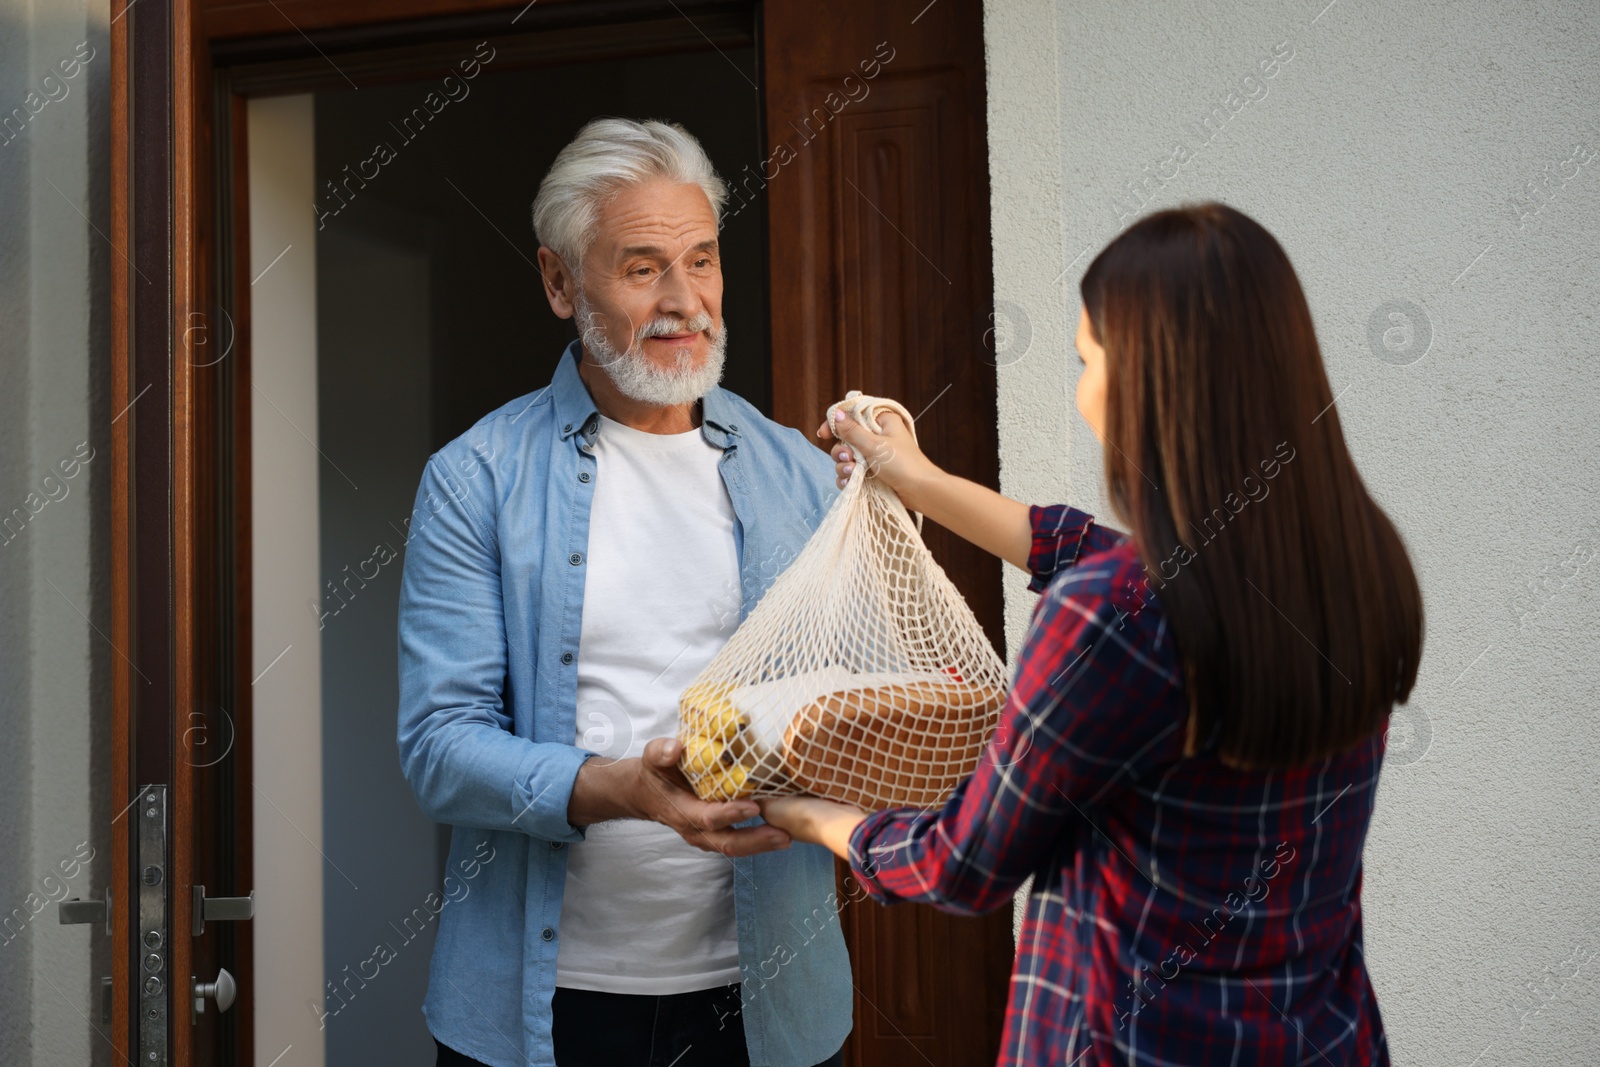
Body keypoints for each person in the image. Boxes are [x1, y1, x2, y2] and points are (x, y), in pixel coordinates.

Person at [762, 203, 1423, 1066]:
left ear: (1146, 381)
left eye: (1086, 360)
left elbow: (966, 863)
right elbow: (1081, 546)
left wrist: (817, 817)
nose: (1081, 392)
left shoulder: (1114, 612)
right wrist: (916, 479)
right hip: (1319, 1038)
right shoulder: (1353, 568)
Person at [397, 118, 850, 1067]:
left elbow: (850, 704)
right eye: (643, 268)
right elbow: (440, 748)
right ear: (561, 282)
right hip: (546, 1009)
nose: (686, 301)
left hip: (763, 1001)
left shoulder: (799, 473)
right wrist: (625, 790)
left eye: (701, 260)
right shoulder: (476, 477)